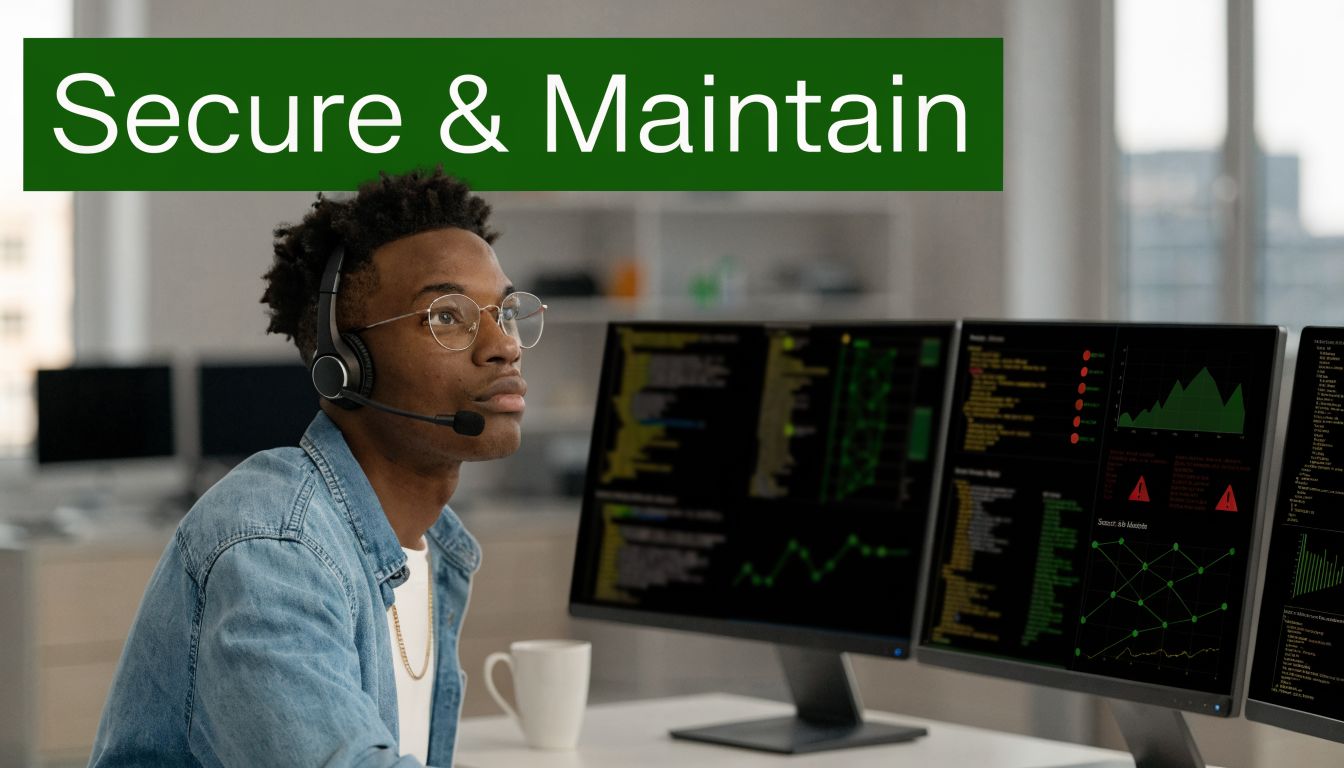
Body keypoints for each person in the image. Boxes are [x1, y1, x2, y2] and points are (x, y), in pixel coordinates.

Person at [89, 168, 545, 767]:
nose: (504, 344)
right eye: (448, 316)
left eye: (505, 311)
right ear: (346, 365)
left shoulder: (432, 546)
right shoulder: (276, 544)